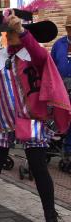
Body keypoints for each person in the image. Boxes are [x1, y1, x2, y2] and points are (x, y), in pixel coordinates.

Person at [0, 9, 70, 222]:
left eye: (13, 32)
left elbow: (41, 56)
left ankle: (51, 220)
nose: (9, 36)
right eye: (8, 32)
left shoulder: (34, 55)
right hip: (2, 119)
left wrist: (21, 30)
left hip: (30, 120)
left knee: (39, 169)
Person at [50, 15, 71, 161]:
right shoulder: (59, 44)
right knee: (61, 117)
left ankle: (68, 150)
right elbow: (52, 66)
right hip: (61, 85)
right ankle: (61, 147)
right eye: (69, 28)